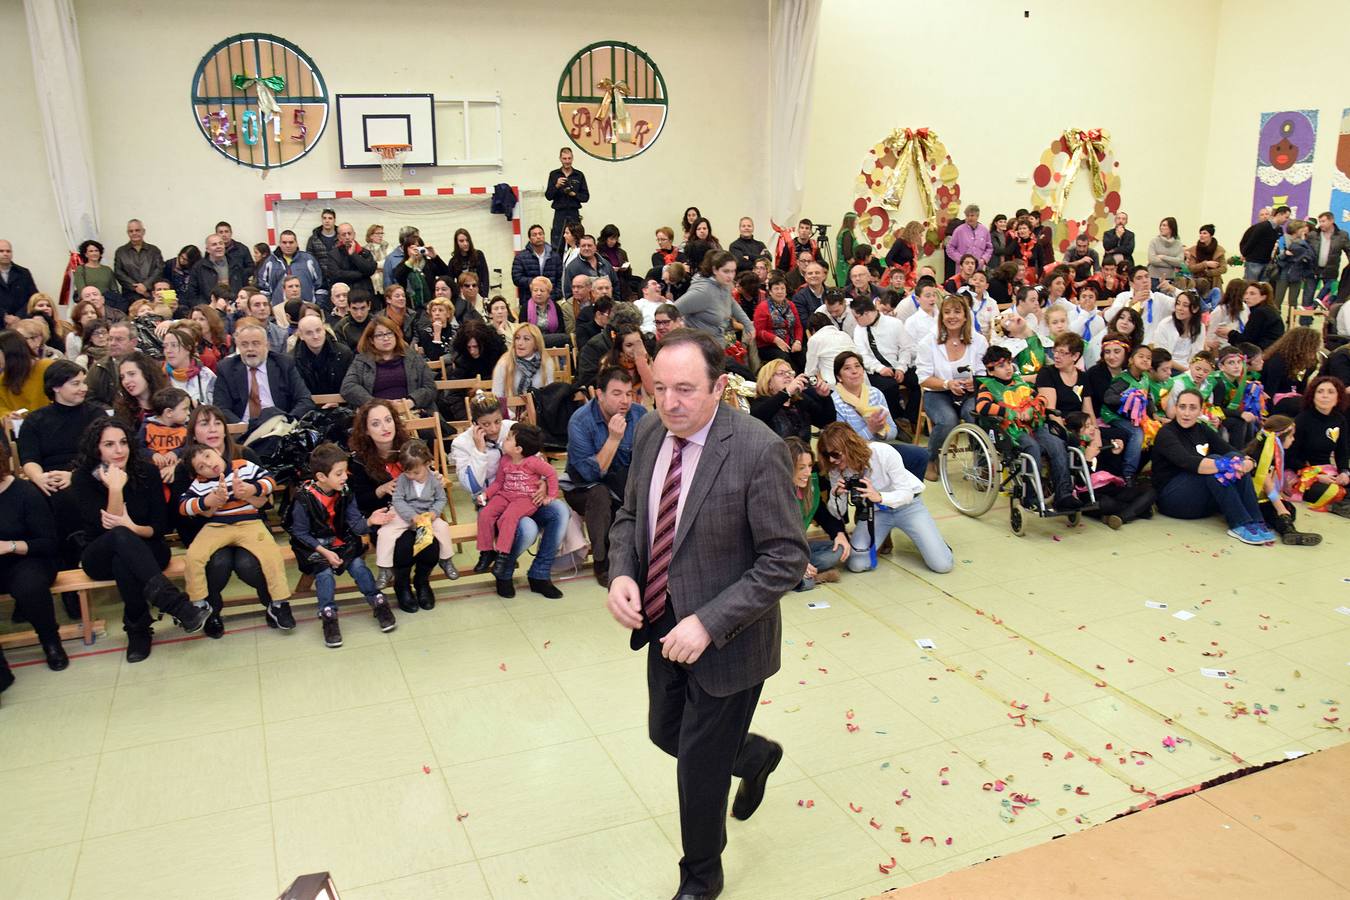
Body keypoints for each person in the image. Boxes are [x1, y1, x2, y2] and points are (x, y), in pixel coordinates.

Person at [604, 327, 806, 900]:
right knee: (665, 732)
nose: (670, 403)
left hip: (730, 640)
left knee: (697, 769)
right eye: (661, 388)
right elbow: (629, 517)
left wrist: (710, 622)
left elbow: (786, 558)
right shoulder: (649, 433)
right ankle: (756, 754)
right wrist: (622, 570)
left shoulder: (756, 449)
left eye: (686, 389)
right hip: (663, 623)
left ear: (720, 386)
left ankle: (701, 877)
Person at [71, 419, 210, 661]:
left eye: (123, 442)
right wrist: (115, 489)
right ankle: (175, 604)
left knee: (125, 561)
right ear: (96, 449)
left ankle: (138, 629)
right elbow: (106, 529)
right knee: (119, 538)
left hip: (149, 545)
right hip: (99, 552)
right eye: (109, 444)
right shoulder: (83, 478)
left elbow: (159, 527)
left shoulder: (146, 471)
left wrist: (132, 527)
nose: (119, 450)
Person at [288, 442, 398, 648]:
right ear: (321, 477)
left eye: (345, 471)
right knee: (324, 575)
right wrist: (325, 552)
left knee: (358, 566)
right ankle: (328, 614)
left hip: (341, 541)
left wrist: (370, 521)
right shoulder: (304, 498)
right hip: (313, 547)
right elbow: (300, 533)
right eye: (338, 473)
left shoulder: (346, 491)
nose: (345, 477)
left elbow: (356, 524)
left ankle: (377, 600)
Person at [816, 421, 953, 574]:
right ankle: (921, 539)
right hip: (875, 512)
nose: (832, 460)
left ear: (849, 446)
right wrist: (837, 496)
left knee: (942, 565)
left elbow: (906, 493)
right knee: (857, 564)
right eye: (827, 456)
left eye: (835, 454)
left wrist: (879, 496)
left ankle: (932, 542)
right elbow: (837, 513)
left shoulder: (883, 452)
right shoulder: (836, 469)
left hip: (908, 507)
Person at [177, 442, 292, 621]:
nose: (208, 465)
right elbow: (183, 507)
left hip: (249, 522)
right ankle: (198, 602)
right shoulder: (200, 483)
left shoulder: (244, 466)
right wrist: (208, 501)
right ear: (198, 473)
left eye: (208, 456)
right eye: (201, 467)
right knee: (193, 556)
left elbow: (270, 481)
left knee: (271, 554)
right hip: (217, 526)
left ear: (216, 450)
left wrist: (251, 489)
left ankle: (279, 603)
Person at [1152, 389, 1277, 544]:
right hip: (1173, 500)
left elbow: (1230, 450)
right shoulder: (1166, 433)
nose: (1186, 413)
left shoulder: (1202, 429)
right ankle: (1239, 523)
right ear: (1176, 408)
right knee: (1216, 462)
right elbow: (1188, 462)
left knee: (1230, 458)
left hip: (1200, 500)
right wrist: (1233, 464)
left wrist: (1249, 462)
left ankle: (1255, 520)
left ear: (1200, 410)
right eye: (1182, 407)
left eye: (1192, 408)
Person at [560, 367, 646, 587]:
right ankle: (602, 562)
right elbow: (590, 473)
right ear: (600, 394)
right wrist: (614, 439)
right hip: (583, 487)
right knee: (599, 495)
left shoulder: (639, 415)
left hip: (623, 481)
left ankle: (644, 558)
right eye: (617, 394)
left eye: (628, 393)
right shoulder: (580, 421)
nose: (625, 400)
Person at [975, 345, 1082, 511]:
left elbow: (1041, 399)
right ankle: (1030, 496)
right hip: (1010, 431)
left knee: (1057, 444)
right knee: (1032, 447)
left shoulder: (1020, 382)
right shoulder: (987, 386)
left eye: (1009, 363)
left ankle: (1064, 494)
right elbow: (982, 407)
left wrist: (1032, 408)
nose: (1008, 368)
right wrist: (1010, 412)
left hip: (1034, 425)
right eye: (1001, 366)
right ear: (991, 371)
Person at [373, 439, 460, 604]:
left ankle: (446, 560)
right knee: (385, 532)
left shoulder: (434, 479)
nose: (411, 476)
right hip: (404, 513)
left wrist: (434, 514)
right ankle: (384, 568)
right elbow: (398, 501)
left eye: (416, 473)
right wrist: (411, 516)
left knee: (442, 527)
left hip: (427, 514)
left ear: (427, 463)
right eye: (408, 472)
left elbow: (441, 499)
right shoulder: (403, 479)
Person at [916, 296, 989, 478]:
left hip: (970, 393)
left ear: (966, 316)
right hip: (938, 392)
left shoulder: (979, 341)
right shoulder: (928, 342)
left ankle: (981, 464)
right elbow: (923, 378)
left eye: (957, 312)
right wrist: (947, 384)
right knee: (948, 420)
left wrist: (976, 382)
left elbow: (984, 372)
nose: (951, 316)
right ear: (941, 317)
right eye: (947, 312)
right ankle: (930, 459)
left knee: (975, 416)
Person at [214, 318, 316, 428]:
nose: (250, 349)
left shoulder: (284, 364)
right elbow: (221, 407)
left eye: (256, 343)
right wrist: (241, 427)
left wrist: (286, 421)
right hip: (242, 432)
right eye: (244, 344)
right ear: (238, 347)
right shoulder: (226, 368)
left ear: (266, 345)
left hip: (279, 428)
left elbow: (305, 400)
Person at [1064, 412, 1156, 529]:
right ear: (1075, 432)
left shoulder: (1103, 444)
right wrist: (1087, 460)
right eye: (1087, 426)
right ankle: (1139, 510)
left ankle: (1121, 517)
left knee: (1150, 491)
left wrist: (1115, 454)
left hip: (1110, 490)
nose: (1093, 428)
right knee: (1106, 504)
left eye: (1092, 424)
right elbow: (1080, 484)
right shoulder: (1074, 451)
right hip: (1091, 495)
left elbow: (1114, 473)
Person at [1242, 416, 1322, 544]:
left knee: (1289, 509)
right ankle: (1288, 531)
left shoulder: (1266, 451)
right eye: (1291, 436)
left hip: (1257, 497)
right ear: (1280, 438)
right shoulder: (1263, 457)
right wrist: (1280, 508)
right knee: (1281, 509)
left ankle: (1284, 526)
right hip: (1250, 500)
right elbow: (1267, 485)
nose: (1293, 439)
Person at [782, 436, 847, 589]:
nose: (808, 472)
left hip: (798, 547)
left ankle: (800, 573)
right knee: (807, 584)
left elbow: (822, 513)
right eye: (801, 467)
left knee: (839, 549)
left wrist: (839, 533)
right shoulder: (773, 490)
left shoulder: (810, 484)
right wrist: (798, 561)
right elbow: (772, 540)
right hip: (776, 552)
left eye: (810, 466)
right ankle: (808, 575)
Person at [340, 316, 437, 415]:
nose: (386, 338)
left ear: (396, 335)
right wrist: (377, 404)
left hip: (413, 411)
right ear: (371, 340)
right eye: (379, 335)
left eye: (389, 333)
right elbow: (348, 387)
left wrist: (410, 402)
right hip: (376, 414)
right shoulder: (361, 361)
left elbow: (430, 387)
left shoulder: (413, 357)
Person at [1288, 375, 1350, 515]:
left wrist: (1344, 472)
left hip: (1328, 471)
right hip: (1301, 473)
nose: (1325, 396)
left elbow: (1342, 452)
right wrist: (1316, 476)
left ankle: (1341, 503)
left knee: (1342, 486)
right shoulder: (1302, 420)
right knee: (1329, 491)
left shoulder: (1339, 419)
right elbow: (1290, 458)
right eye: (1320, 391)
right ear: (1312, 396)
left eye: (1330, 392)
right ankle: (1338, 504)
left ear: (1338, 397)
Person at [851, 296, 915, 428]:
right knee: (888, 386)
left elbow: (905, 348)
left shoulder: (894, 324)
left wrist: (901, 368)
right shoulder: (859, 330)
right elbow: (863, 356)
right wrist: (880, 368)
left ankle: (910, 417)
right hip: (875, 369)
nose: (855, 321)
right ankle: (895, 419)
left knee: (919, 380)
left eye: (857, 317)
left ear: (867, 313)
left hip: (897, 364)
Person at [751, 358, 835, 440]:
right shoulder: (761, 402)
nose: (787, 376)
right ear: (768, 382)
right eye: (781, 373)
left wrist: (825, 397)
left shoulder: (801, 400)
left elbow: (827, 423)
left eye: (790, 373)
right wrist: (786, 392)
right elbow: (757, 418)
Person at [1260, 326, 1321, 416]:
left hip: (1295, 398)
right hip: (1277, 400)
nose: (1316, 350)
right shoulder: (1277, 361)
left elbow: (1301, 388)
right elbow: (1270, 390)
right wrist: (1269, 415)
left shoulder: (1307, 363)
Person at [292, 311, 354, 399]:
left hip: (341, 404)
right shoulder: (292, 360)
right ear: (301, 336)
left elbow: (350, 386)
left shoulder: (344, 354)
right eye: (309, 333)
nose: (315, 336)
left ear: (324, 330)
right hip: (307, 407)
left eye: (318, 330)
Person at [491, 323, 554, 407]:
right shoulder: (504, 362)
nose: (520, 343)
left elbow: (549, 396)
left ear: (536, 344)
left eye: (526, 339)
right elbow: (497, 396)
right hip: (511, 413)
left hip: (540, 412)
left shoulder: (546, 362)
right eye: (517, 338)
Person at [1216, 280, 1284, 350]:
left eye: (1252, 294)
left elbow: (1247, 341)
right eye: (1246, 293)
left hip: (1265, 353)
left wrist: (1229, 333)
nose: (1246, 297)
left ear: (1263, 297)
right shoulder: (1268, 309)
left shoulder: (1260, 312)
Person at [159, 323, 216, 405]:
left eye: (174, 345)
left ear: (188, 348)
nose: (168, 350)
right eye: (165, 346)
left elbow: (216, 409)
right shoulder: (159, 376)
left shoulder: (207, 376)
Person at [112, 219, 164, 302]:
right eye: (131, 231)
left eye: (137, 230)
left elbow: (159, 270)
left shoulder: (154, 250)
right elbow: (118, 272)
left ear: (143, 231)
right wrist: (135, 287)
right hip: (129, 296)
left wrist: (145, 285)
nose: (134, 233)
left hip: (151, 294)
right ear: (128, 233)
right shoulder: (120, 252)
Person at [546, 147, 589, 248]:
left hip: (574, 213)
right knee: (557, 244)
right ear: (560, 159)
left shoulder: (579, 175)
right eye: (564, 159)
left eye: (569, 158)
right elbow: (548, 196)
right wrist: (556, 185)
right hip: (559, 214)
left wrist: (574, 194)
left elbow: (586, 197)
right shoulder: (554, 174)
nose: (567, 161)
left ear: (572, 158)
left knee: (576, 241)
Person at [1152, 292, 1205, 372]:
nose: (1179, 308)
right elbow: (1162, 356)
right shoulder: (1165, 324)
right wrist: (1187, 371)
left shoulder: (1200, 327)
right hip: (1167, 368)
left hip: (1190, 368)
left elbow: (1198, 354)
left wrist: (1194, 369)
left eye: (1185, 305)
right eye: (1178, 303)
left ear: (1195, 309)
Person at [1272, 219, 1317, 312]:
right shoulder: (1283, 239)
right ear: (1297, 229)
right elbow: (1277, 257)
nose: (1305, 230)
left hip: (1297, 273)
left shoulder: (1305, 242)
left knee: (1293, 301)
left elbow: (1310, 256)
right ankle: (1275, 318)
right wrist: (1285, 254)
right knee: (1278, 299)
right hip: (1283, 273)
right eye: (1303, 228)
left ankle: (1291, 321)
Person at [321, 222, 376, 297]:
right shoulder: (333, 254)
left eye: (349, 234)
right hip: (343, 295)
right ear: (339, 237)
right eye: (344, 234)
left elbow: (370, 270)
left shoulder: (365, 252)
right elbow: (336, 275)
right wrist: (361, 274)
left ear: (354, 235)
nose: (347, 237)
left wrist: (353, 255)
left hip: (364, 293)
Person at [512, 224, 563, 305]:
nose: (538, 237)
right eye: (534, 235)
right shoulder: (521, 257)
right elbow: (517, 278)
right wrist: (535, 282)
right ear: (530, 238)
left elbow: (560, 278)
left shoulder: (554, 256)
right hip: (528, 301)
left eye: (540, 234)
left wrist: (556, 294)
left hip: (550, 300)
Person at [1238, 205, 1290, 282]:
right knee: (1250, 286)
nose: (1287, 220)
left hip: (1267, 263)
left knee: (1263, 289)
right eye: (1286, 217)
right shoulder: (1262, 226)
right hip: (1254, 262)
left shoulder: (1279, 229)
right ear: (1279, 215)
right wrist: (1244, 254)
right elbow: (1250, 242)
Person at [192, 233, 250, 300]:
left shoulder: (236, 264)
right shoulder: (199, 267)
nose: (218, 246)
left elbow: (245, 287)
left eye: (221, 243)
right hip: (209, 307)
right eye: (214, 244)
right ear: (207, 249)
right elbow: (192, 293)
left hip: (234, 305)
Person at [1309, 211, 1350, 304]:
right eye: (1320, 222)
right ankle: (1305, 317)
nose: (1321, 224)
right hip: (1313, 271)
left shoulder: (1342, 235)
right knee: (1308, 297)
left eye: (1323, 221)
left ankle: (1319, 308)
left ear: (1331, 221)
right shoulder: (1313, 234)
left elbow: (1348, 250)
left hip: (1331, 271)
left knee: (1327, 298)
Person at [521, 276, 573, 348]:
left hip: (553, 342)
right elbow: (522, 329)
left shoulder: (556, 306)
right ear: (531, 292)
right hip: (532, 342)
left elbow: (561, 329)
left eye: (542, 291)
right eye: (535, 290)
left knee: (565, 338)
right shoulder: (525, 308)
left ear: (548, 293)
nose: (538, 293)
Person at [0, 239, 40, 325]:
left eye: (8, 251)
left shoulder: (23, 273)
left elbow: (34, 298)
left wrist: (19, 316)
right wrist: (3, 316)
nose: (5, 254)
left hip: (22, 322)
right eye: (1, 251)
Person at [946, 204, 992, 270]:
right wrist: (960, 259)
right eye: (967, 216)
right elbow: (950, 248)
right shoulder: (959, 230)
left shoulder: (984, 230)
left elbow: (989, 248)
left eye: (972, 215)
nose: (970, 218)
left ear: (977, 216)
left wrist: (984, 259)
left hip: (978, 269)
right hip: (962, 269)